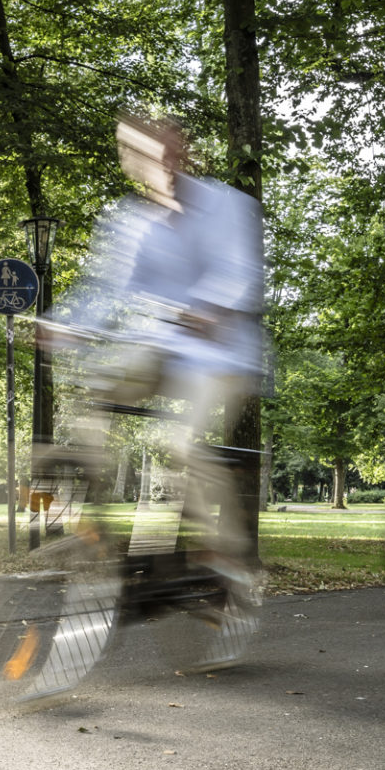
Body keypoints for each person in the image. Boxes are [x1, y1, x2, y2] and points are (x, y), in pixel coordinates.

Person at [39, 116, 266, 583]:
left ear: (184, 152)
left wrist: (210, 308)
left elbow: (240, 272)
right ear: (131, 163)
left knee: (180, 444)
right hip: (162, 345)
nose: (159, 163)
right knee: (98, 387)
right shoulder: (132, 222)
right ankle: (90, 511)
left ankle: (221, 554)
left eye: (168, 151)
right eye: (143, 155)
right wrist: (65, 326)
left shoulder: (227, 206)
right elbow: (104, 289)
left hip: (222, 353)